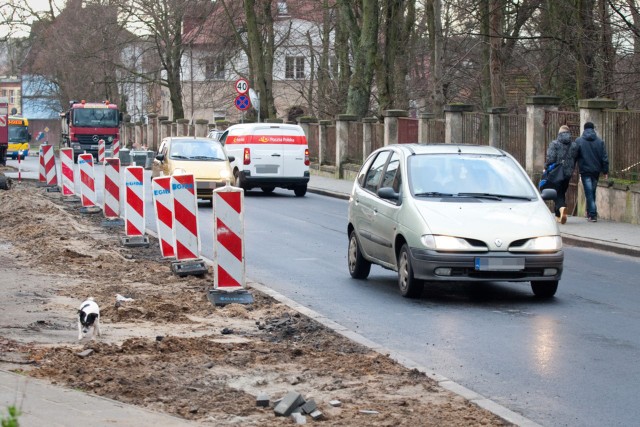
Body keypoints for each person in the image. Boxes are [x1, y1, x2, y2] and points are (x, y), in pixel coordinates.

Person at [575, 122, 609, 222]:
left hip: (585, 171)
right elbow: (604, 158)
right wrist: (605, 171)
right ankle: (590, 212)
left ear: (584, 129)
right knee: (592, 191)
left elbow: (575, 156)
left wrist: (572, 168)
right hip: (596, 171)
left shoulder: (579, 141)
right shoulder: (600, 142)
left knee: (589, 192)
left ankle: (592, 214)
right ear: (593, 129)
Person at [545, 125, 578, 224]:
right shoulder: (574, 145)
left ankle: (562, 207)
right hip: (568, 173)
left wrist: (546, 167)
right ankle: (558, 215)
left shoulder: (554, 144)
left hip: (556, 172)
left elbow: (551, 158)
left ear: (559, 133)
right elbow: (575, 158)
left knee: (555, 192)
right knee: (562, 191)